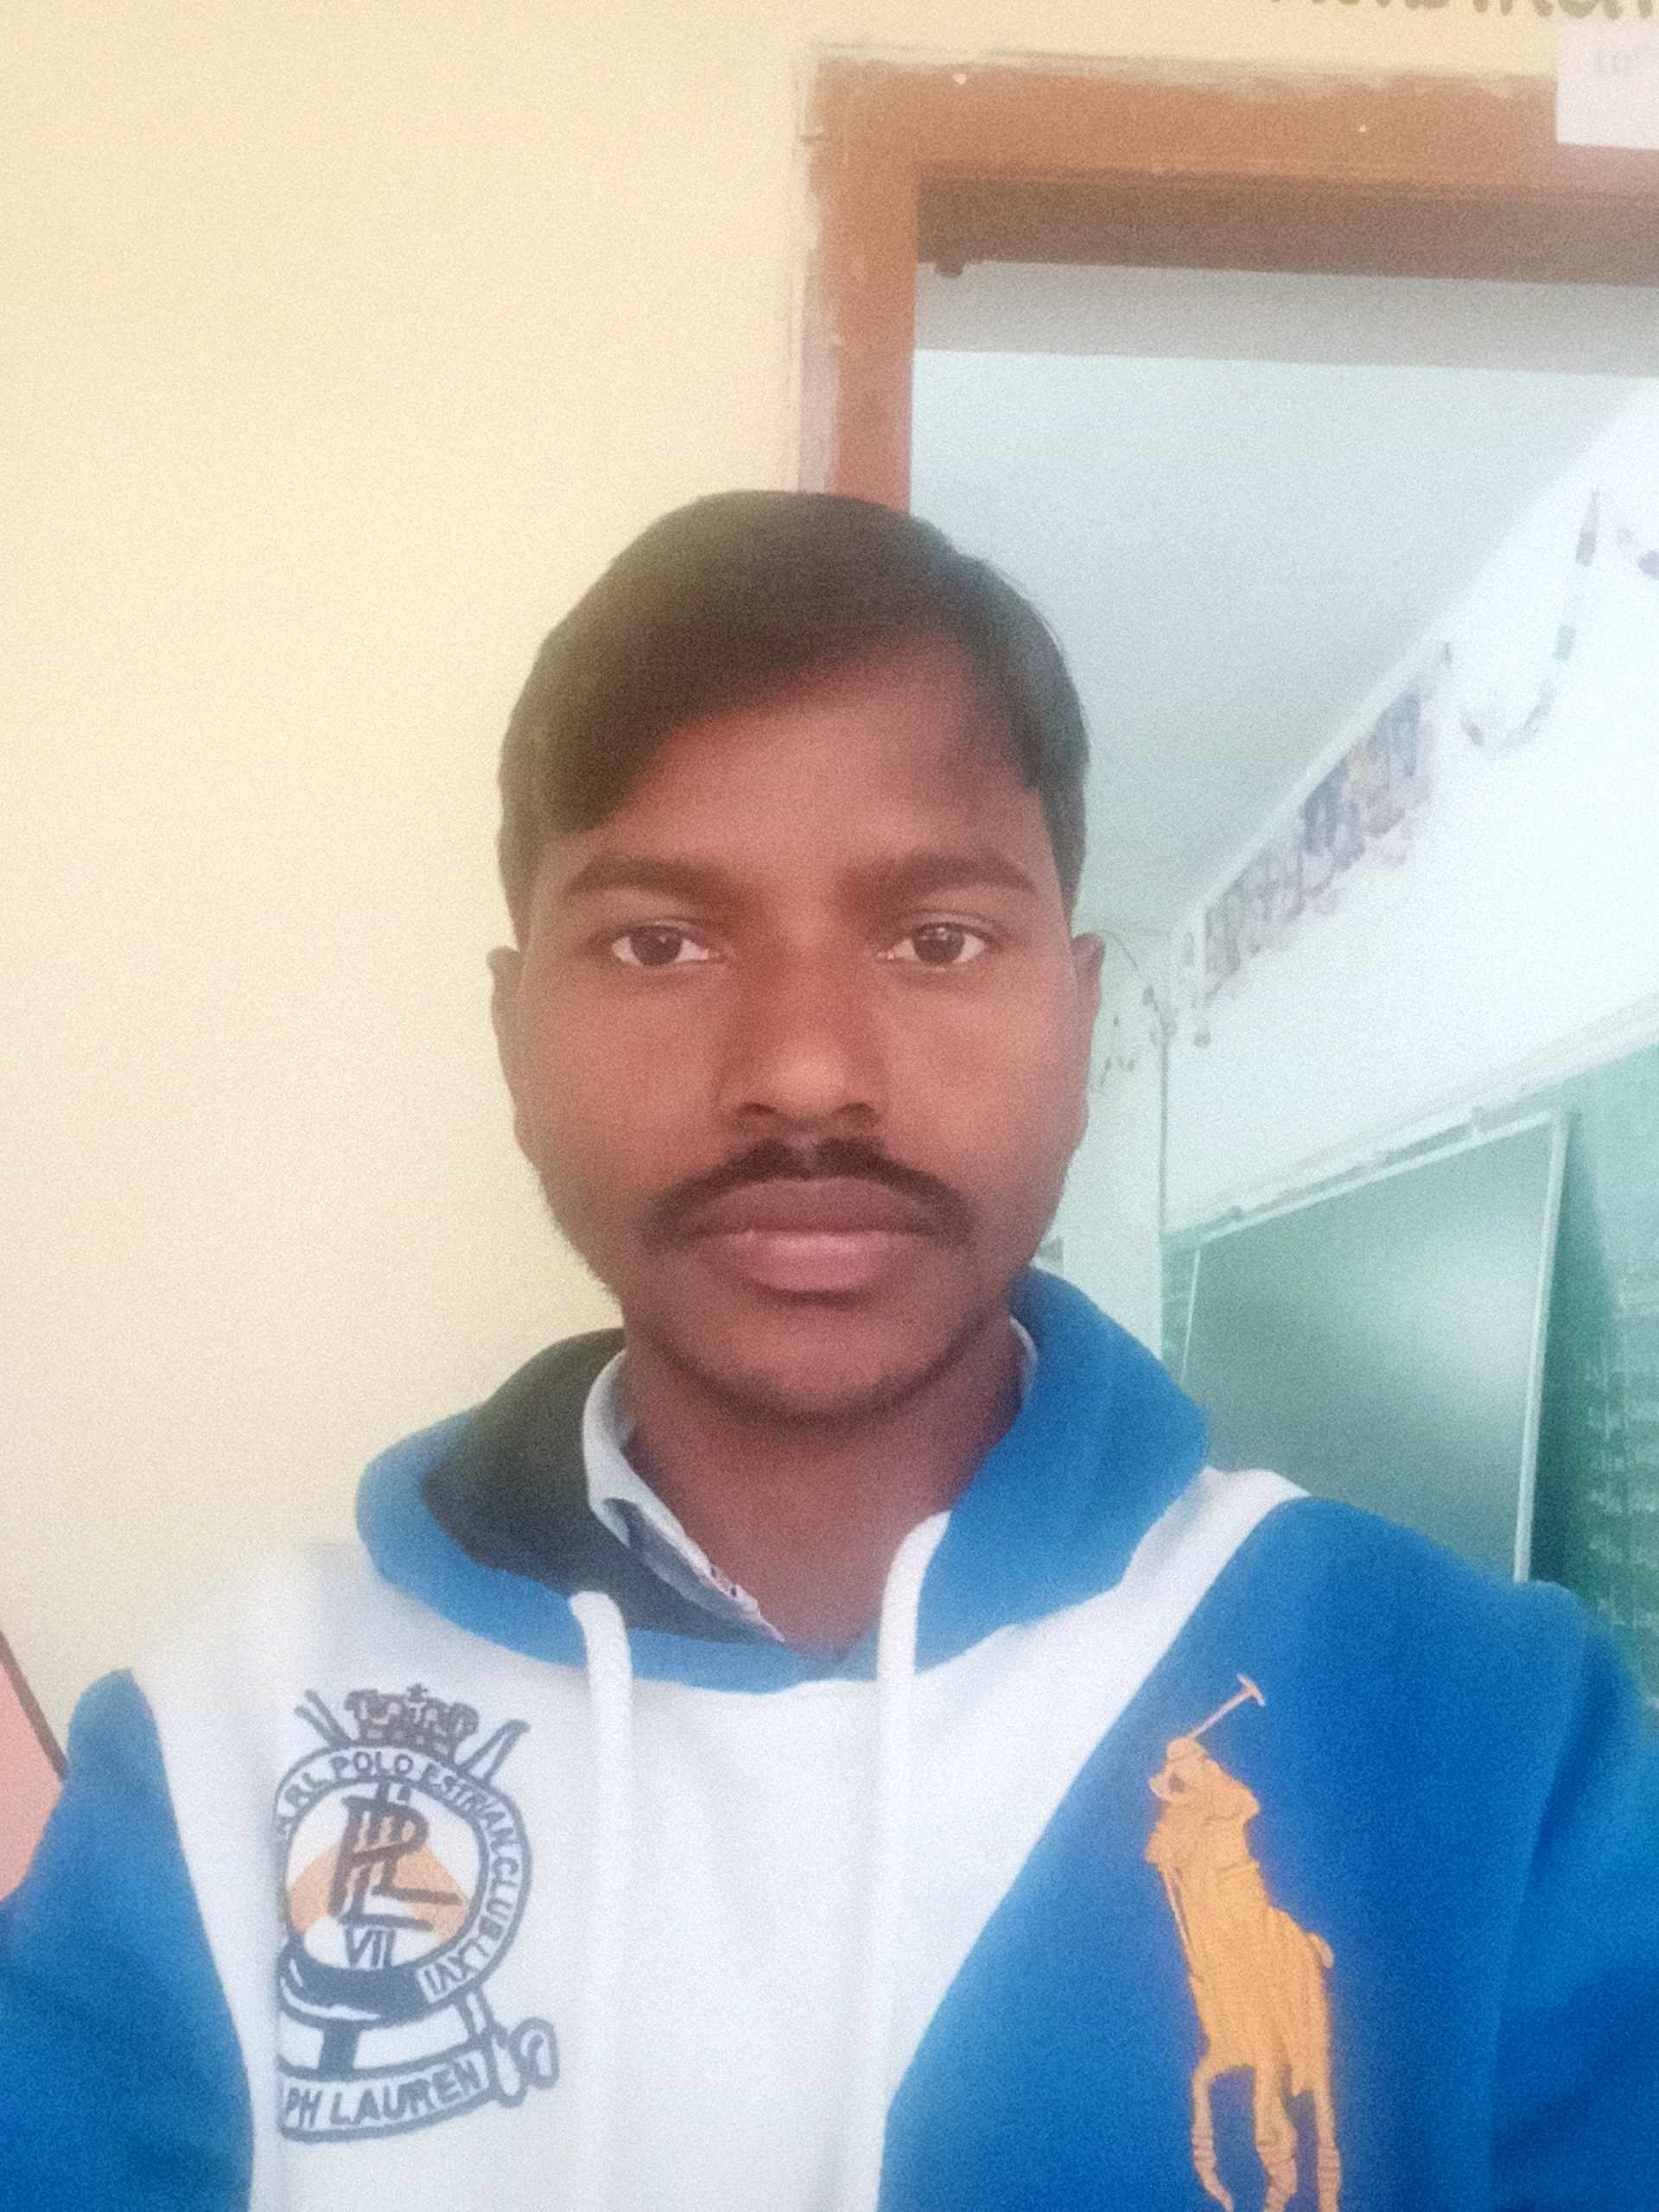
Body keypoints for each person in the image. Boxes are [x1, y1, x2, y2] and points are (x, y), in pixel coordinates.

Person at [3, 492, 1656, 2212]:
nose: (802, 1070)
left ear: (1081, 1015)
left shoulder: (1490, 1737)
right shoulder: (225, 1755)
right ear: (512, 1033)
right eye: (659, 941)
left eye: (938, 940)